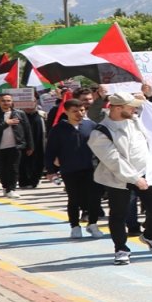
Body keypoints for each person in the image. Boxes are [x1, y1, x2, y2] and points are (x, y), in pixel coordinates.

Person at [90, 92, 152, 266]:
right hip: (118, 179)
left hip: (146, 173)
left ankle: (150, 236)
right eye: (131, 106)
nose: (135, 108)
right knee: (119, 215)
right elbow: (113, 160)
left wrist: (147, 97)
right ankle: (121, 249)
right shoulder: (101, 132)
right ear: (118, 108)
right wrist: (134, 178)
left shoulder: (135, 120)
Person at [44, 98, 105, 239]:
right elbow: (50, 151)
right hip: (70, 169)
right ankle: (75, 226)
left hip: (92, 168)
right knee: (74, 198)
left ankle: (93, 224)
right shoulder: (58, 129)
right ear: (66, 112)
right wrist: (50, 170)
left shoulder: (91, 126)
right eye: (75, 111)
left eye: (82, 110)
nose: (79, 114)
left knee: (94, 198)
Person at [0, 93, 34, 199]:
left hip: (16, 146)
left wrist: (30, 146)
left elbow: (27, 130)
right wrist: (6, 123)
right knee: (3, 169)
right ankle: (5, 186)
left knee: (14, 168)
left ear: (12, 102)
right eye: (3, 101)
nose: (6, 103)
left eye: (8, 100)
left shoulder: (19, 113)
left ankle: (11, 189)